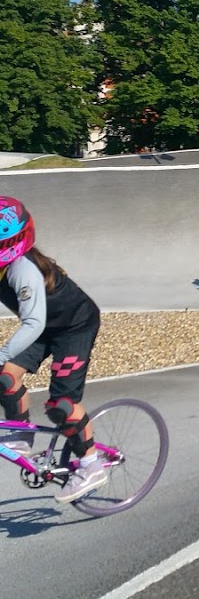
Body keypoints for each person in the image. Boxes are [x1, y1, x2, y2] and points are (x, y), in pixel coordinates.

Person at [0, 196, 108, 504]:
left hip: (74, 327)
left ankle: (91, 465)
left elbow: (32, 324)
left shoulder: (22, 270)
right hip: (46, 327)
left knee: (61, 405)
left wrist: (2, 352)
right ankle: (21, 434)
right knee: (6, 378)